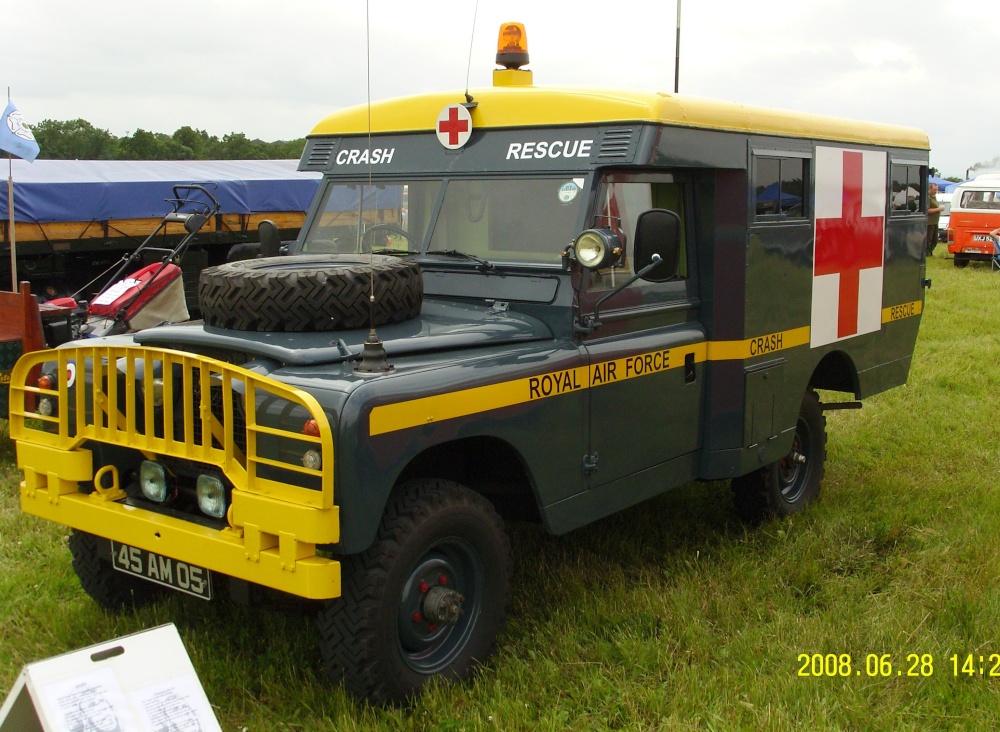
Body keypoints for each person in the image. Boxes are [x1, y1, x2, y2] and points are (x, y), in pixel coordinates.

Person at [926, 182, 944, 256]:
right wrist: (938, 209)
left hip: (935, 222)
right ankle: (927, 253)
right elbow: (927, 210)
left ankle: (930, 251)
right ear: (930, 189)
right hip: (929, 222)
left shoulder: (934, 197)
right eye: (934, 189)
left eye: (937, 189)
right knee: (928, 239)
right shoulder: (928, 197)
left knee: (935, 239)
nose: (936, 191)